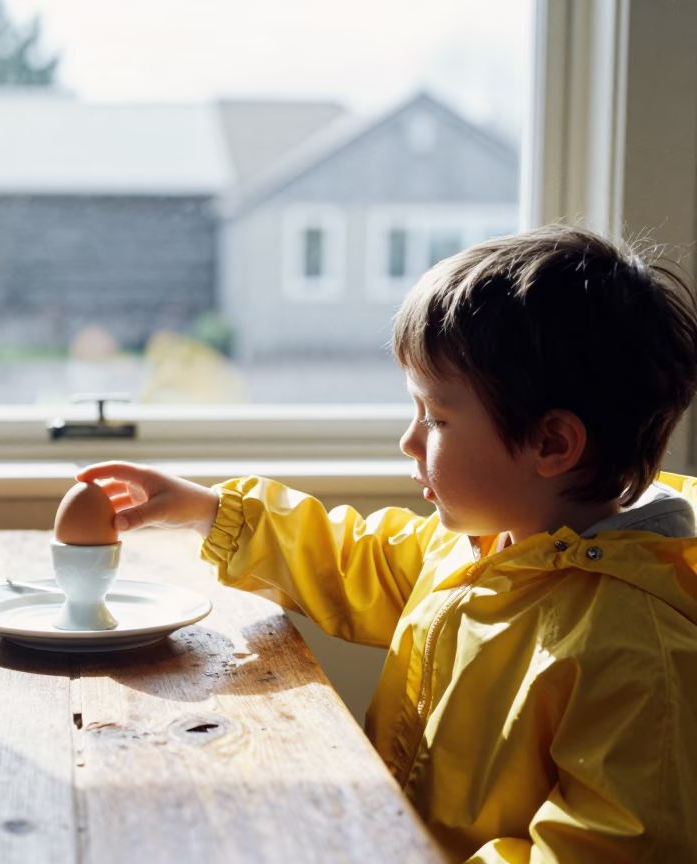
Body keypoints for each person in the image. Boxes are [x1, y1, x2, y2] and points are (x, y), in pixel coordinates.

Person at [78, 225, 697, 863]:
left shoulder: (635, 648)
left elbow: (606, 850)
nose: (409, 440)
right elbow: (357, 561)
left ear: (551, 444)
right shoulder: (488, 548)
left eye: (436, 418)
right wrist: (213, 513)